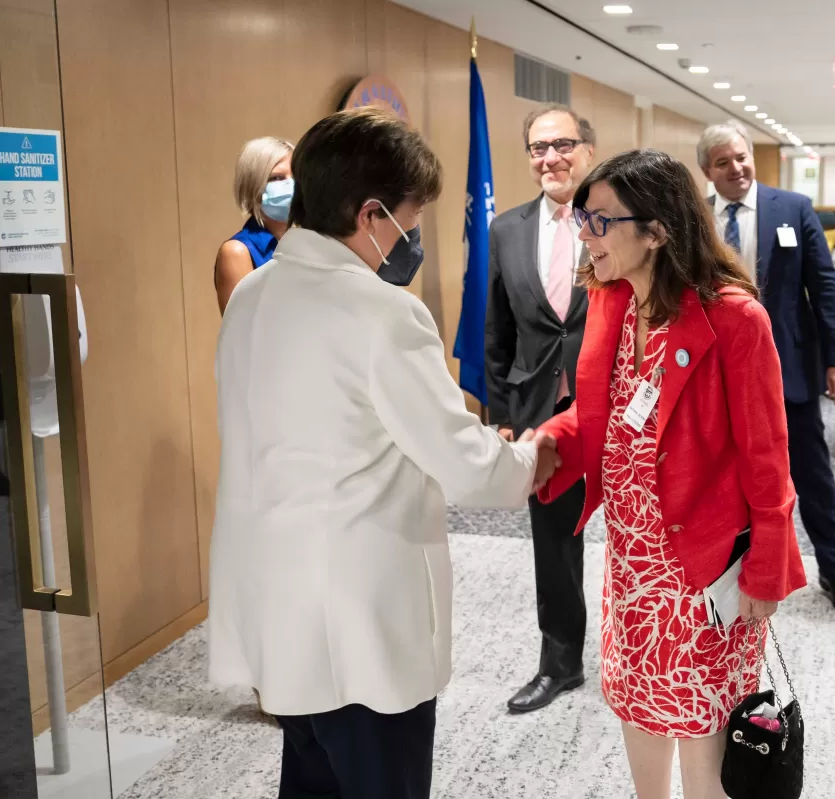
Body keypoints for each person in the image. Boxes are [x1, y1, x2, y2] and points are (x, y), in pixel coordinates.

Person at [208, 108, 557, 799]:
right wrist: (532, 458)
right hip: (363, 621)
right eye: (411, 218)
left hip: (280, 601)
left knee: (309, 780)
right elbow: (466, 465)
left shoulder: (251, 293)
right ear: (371, 215)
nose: (414, 236)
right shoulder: (382, 311)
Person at [535, 149, 806, 799]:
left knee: (704, 729)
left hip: (704, 568)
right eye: (582, 220)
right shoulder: (611, 304)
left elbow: (768, 456)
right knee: (640, 705)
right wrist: (549, 440)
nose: (585, 236)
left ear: (656, 230)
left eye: (599, 221)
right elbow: (598, 413)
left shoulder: (733, 317)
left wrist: (769, 566)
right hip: (633, 565)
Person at [697, 120, 835, 617]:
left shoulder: (792, 209)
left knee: (811, 472)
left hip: (789, 367)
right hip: (715, 372)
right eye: (723, 162)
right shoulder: (694, 217)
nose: (736, 168)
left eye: (741, 157)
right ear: (708, 170)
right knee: (723, 476)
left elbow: (824, 287)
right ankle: (728, 573)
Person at [485, 103, 596, 713]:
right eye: (536, 148)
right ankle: (561, 665)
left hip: (614, 408)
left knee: (645, 538)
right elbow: (497, 330)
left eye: (561, 144)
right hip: (538, 411)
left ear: (586, 150)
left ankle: (657, 654)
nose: (549, 157)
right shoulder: (506, 229)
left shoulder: (619, 219)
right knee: (552, 545)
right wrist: (503, 413)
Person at [214, 136, 294, 312]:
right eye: (277, 178)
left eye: (297, 175)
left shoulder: (301, 244)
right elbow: (241, 332)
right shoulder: (237, 252)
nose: (292, 184)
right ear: (254, 185)